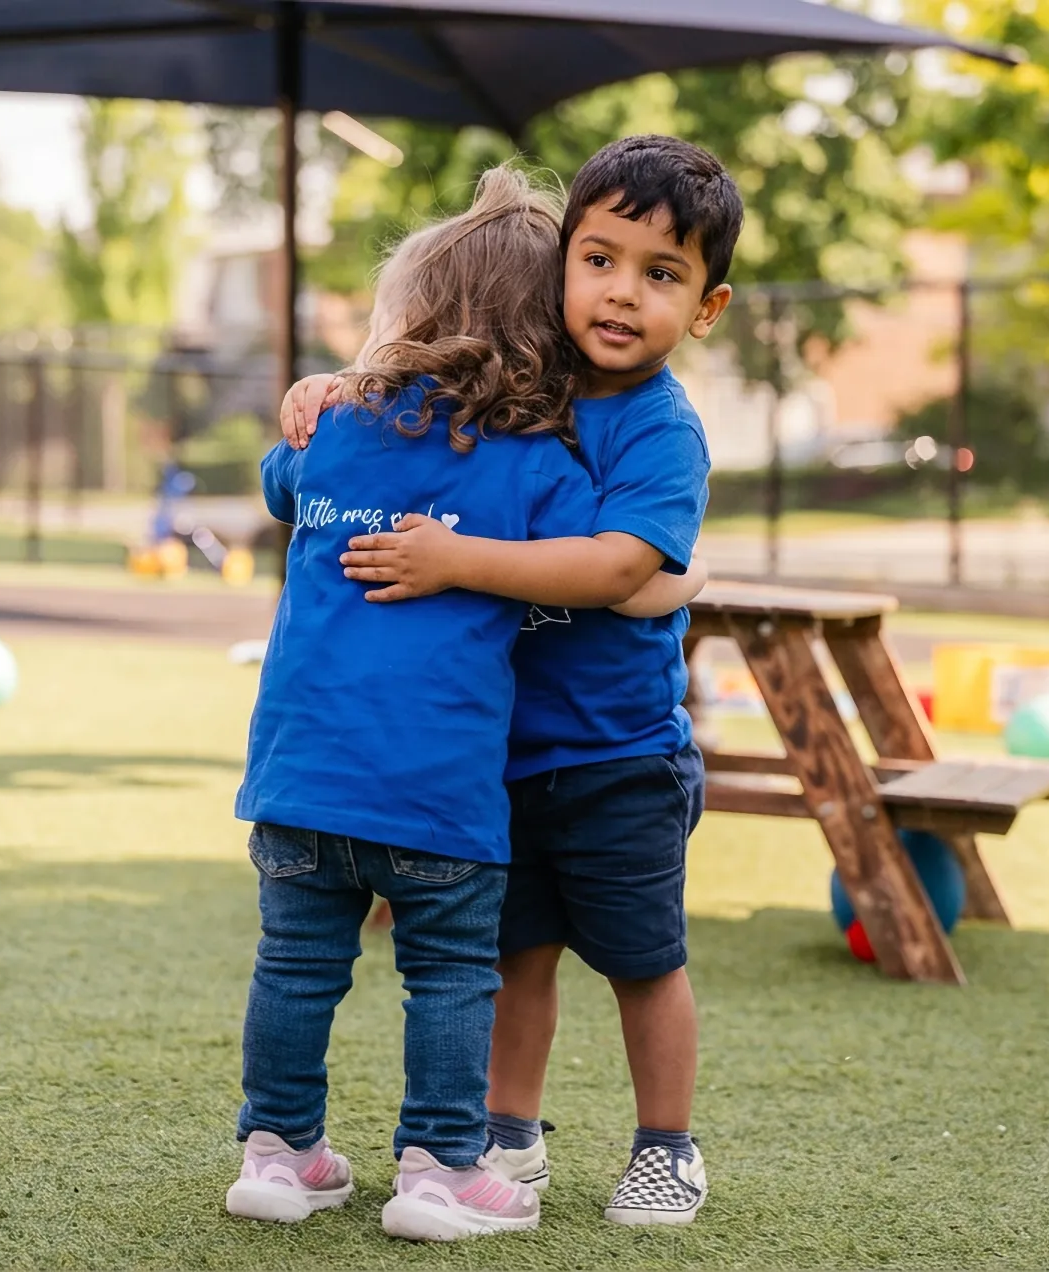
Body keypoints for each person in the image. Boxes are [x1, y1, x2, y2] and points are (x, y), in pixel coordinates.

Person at [279, 135, 743, 1226]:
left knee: (644, 959)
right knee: (512, 955)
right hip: (493, 755)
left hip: (616, 753)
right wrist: (331, 385)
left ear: (705, 308)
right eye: (600, 260)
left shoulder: (661, 428)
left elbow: (623, 567)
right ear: (559, 268)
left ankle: (667, 1144)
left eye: (661, 274)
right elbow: (393, 419)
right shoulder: (514, 390)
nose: (622, 293)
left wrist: (459, 562)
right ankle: (507, 1130)